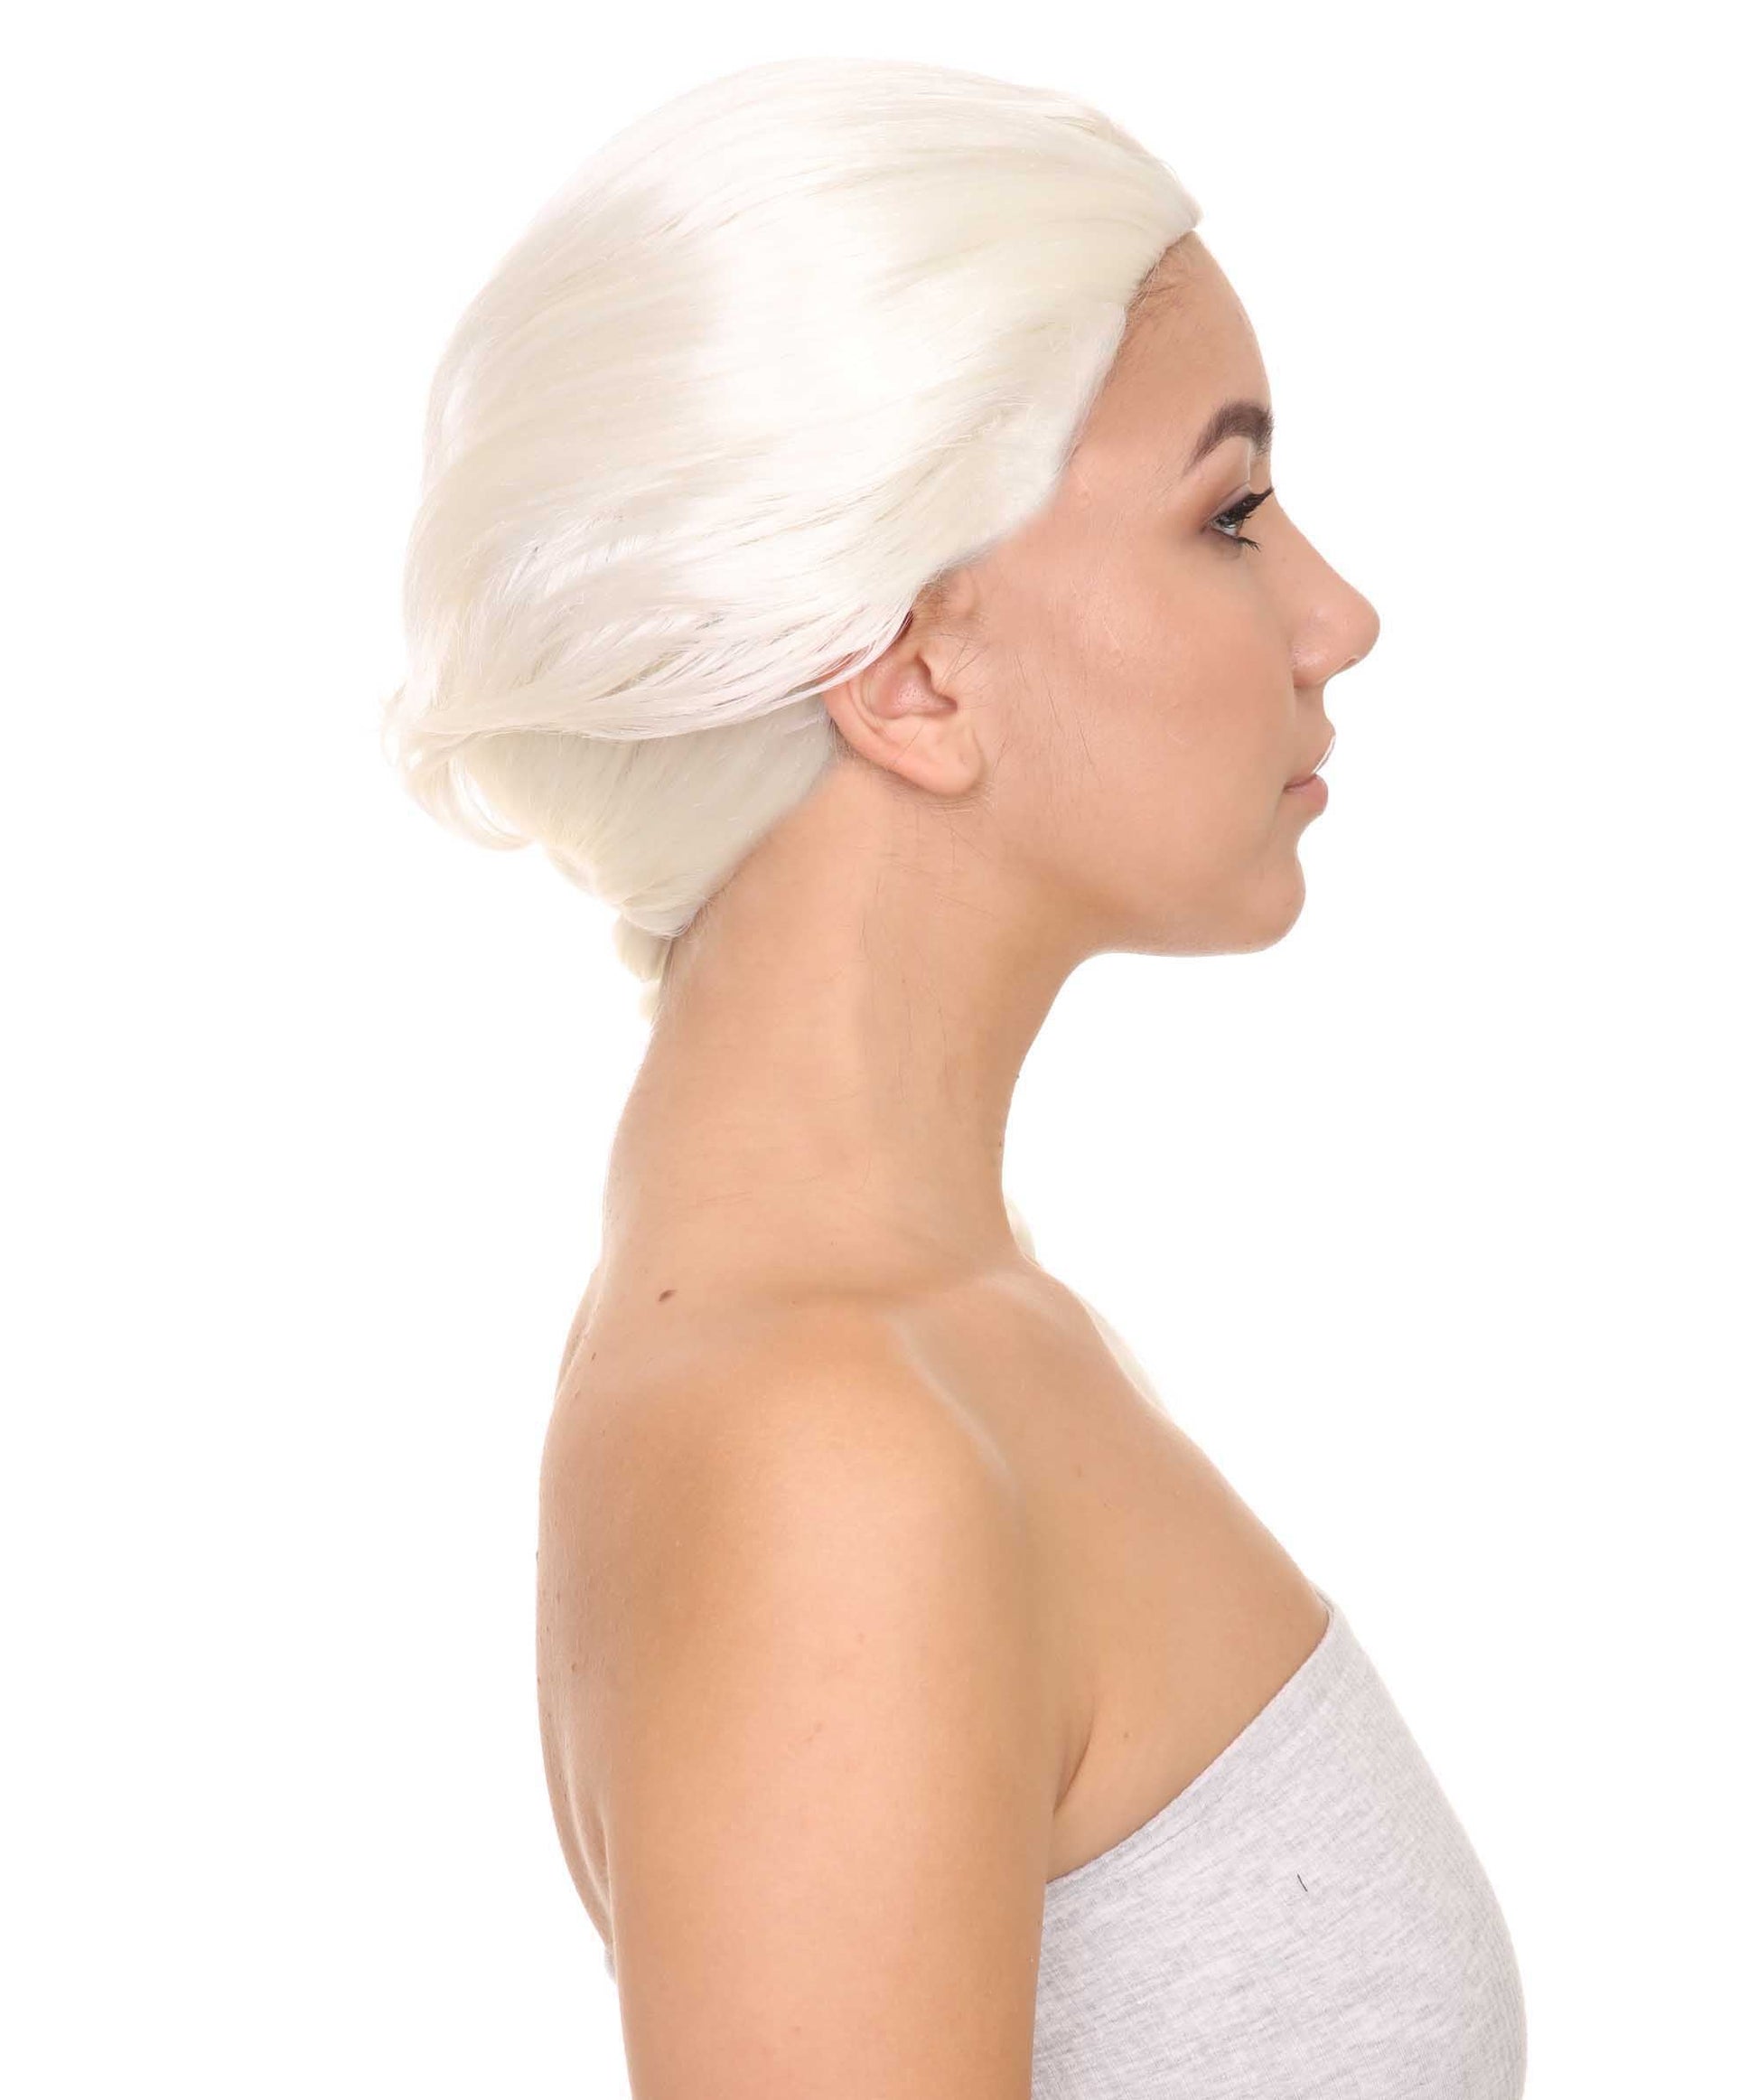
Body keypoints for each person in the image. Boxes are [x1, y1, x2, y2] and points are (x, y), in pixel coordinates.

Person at [383, 56, 1525, 2099]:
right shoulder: (827, 1445)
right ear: (909, 673)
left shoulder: (942, 1338)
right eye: (1228, 513)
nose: (1336, 615)